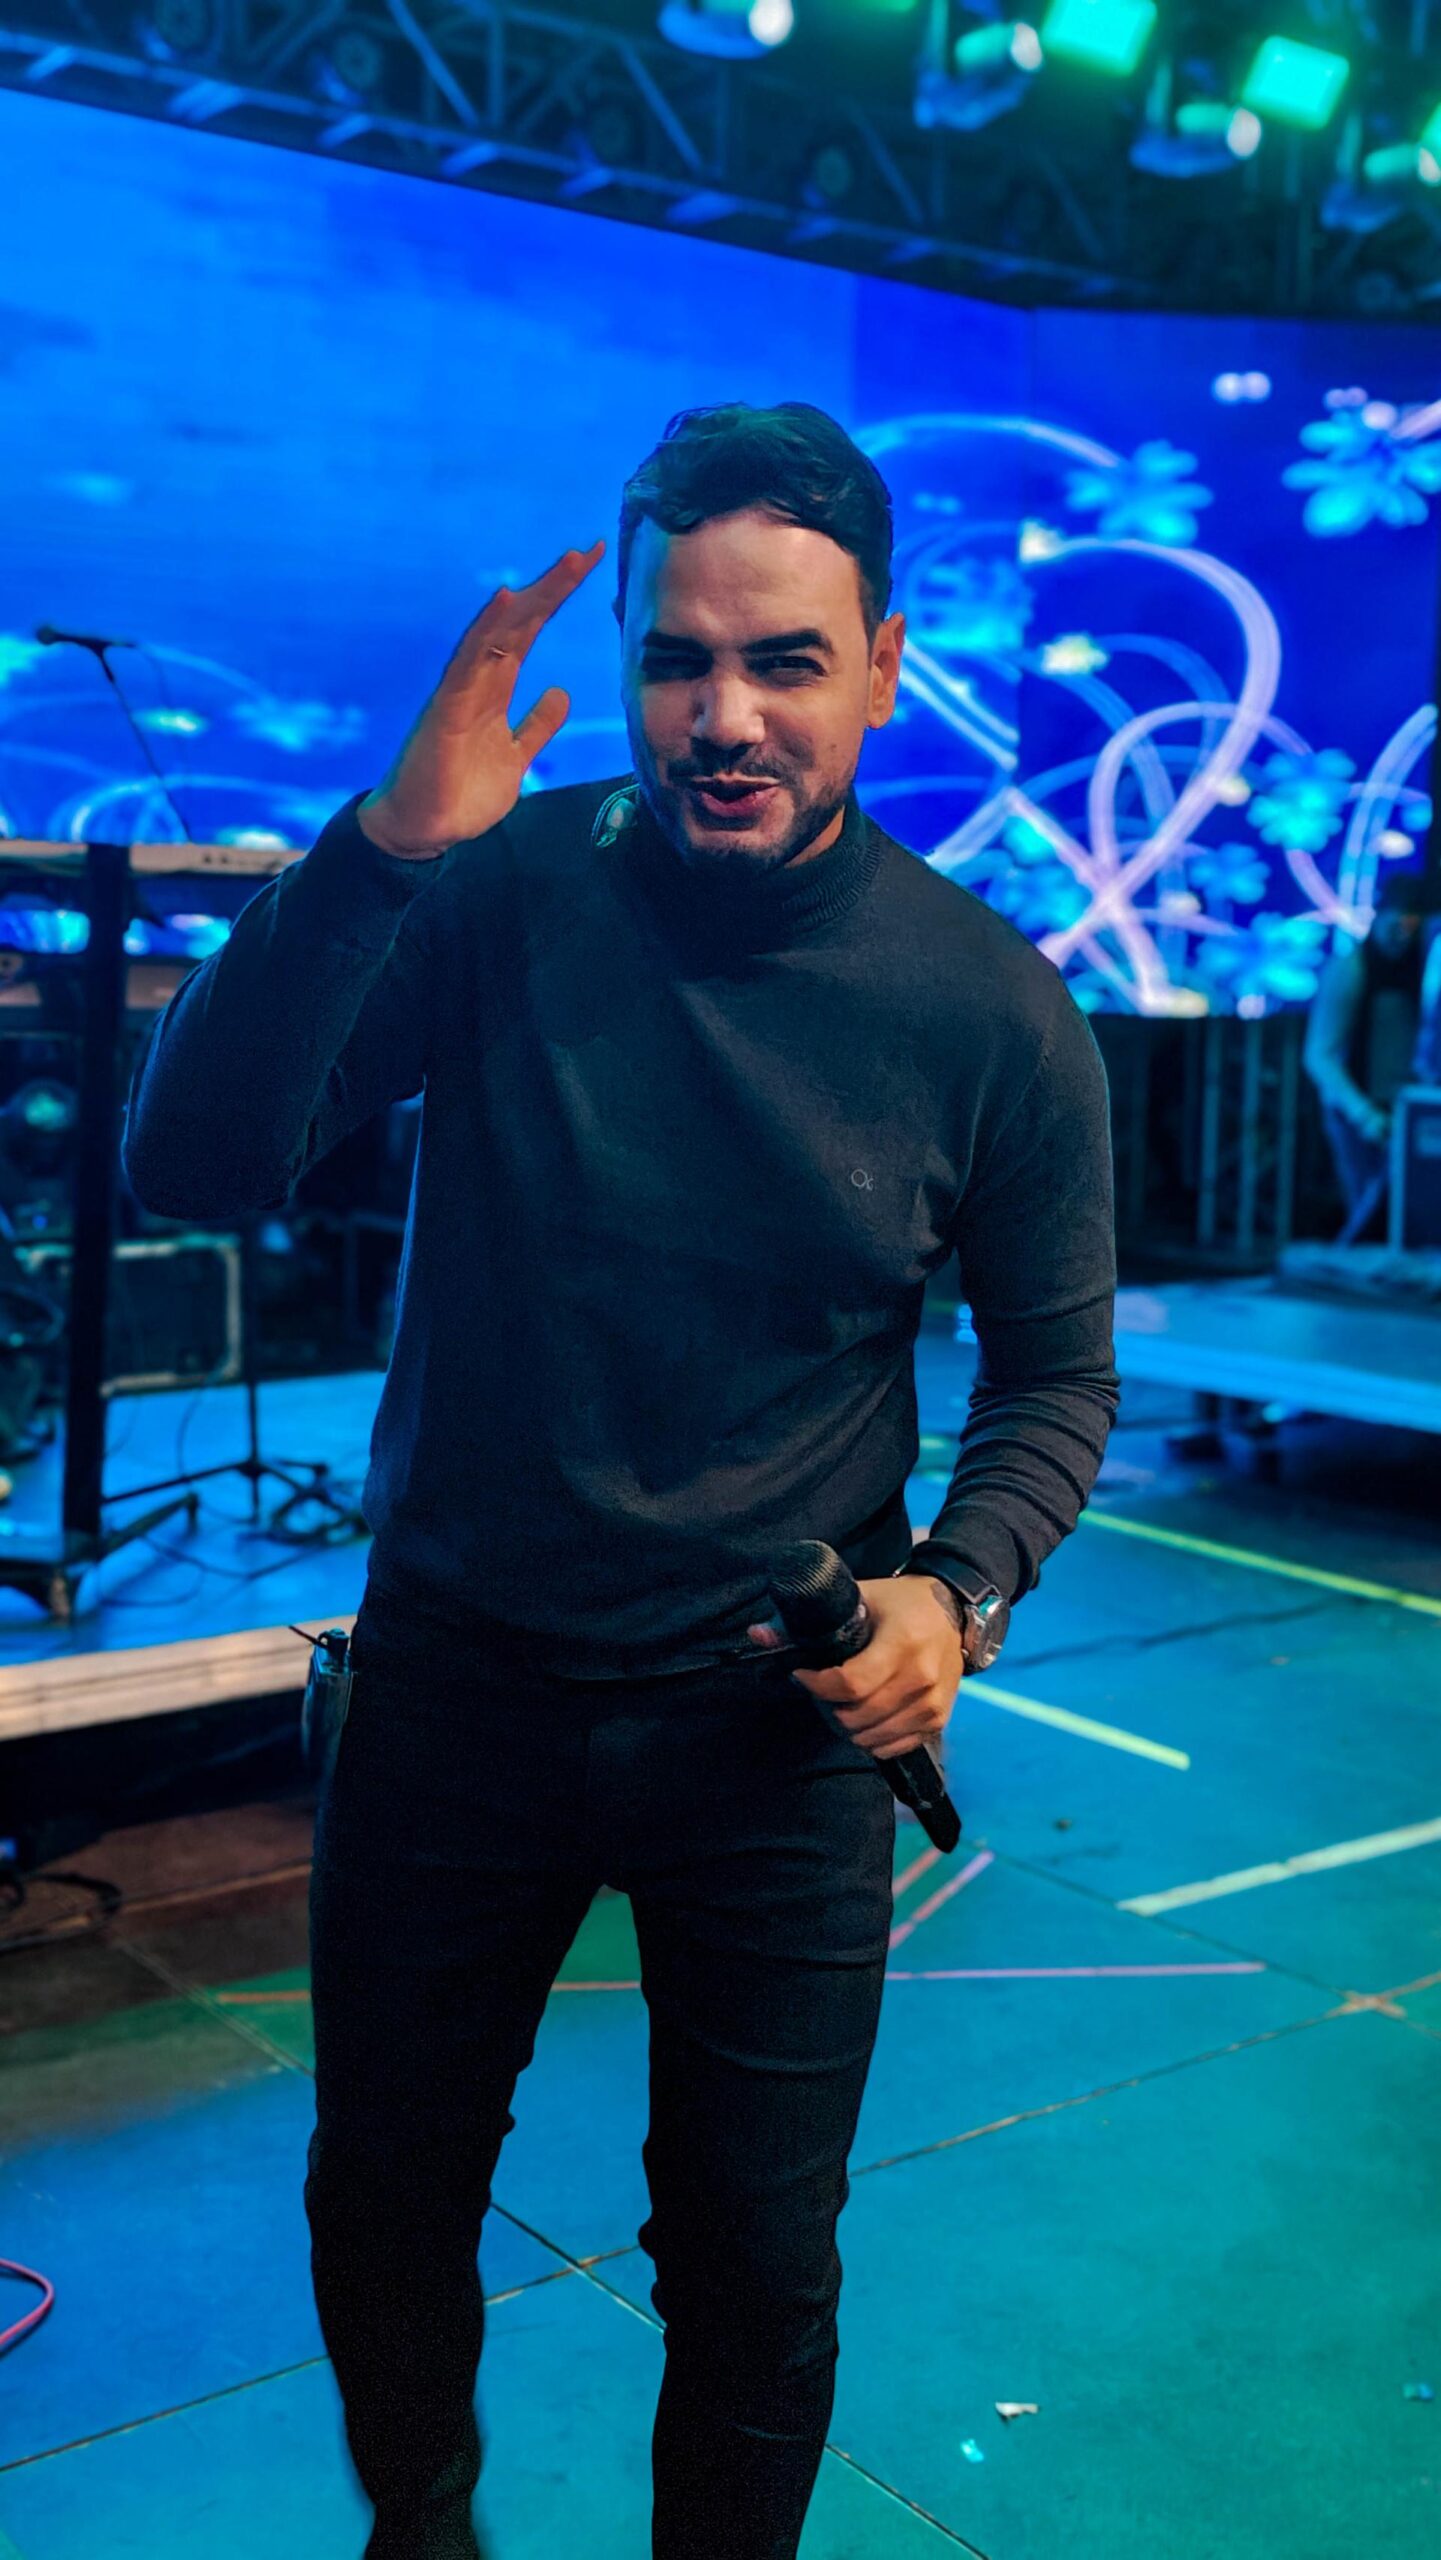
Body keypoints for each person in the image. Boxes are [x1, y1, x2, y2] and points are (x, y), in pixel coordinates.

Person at [123, 402, 1119, 2560]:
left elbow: (1055, 1381)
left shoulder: (989, 1007)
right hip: (454, 1688)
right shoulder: (492, 887)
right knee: (384, 2191)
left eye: (784, 661)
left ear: (883, 666)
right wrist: (382, 847)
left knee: (755, 2262)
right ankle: (425, 2536)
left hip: (772, 1728)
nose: (724, 717)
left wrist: (958, 1589)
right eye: (682, 660)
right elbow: (188, 1163)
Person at [1303, 871, 1437, 1242]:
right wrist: (1362, 1114)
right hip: (1360, 1113)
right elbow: (1319, 1055)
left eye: (1411, 928)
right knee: (1370, 1214)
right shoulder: (1351, 969)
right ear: (1379, 917)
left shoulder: (1426, 969)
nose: (1401, 936)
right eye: (1395, 925)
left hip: (1409, 1109)